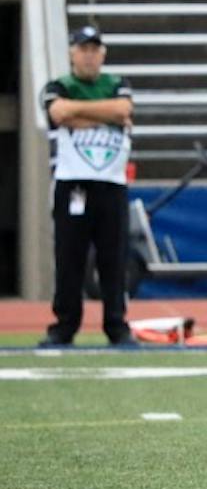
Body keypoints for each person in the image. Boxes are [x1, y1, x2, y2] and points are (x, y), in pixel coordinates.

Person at [38, 27, 136, 348]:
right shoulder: (59, 86)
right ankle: (64, 325)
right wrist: (103, 116)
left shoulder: (117, 84)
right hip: (73, 183)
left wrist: (79, 113)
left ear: (103, 54)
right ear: (72, 52)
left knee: (113, 259)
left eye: (95, 49)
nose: (89, 55)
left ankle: (116, 325)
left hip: (111, 184)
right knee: (70, 258)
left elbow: (123, 110)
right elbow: (58, 112)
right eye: (84, 49)